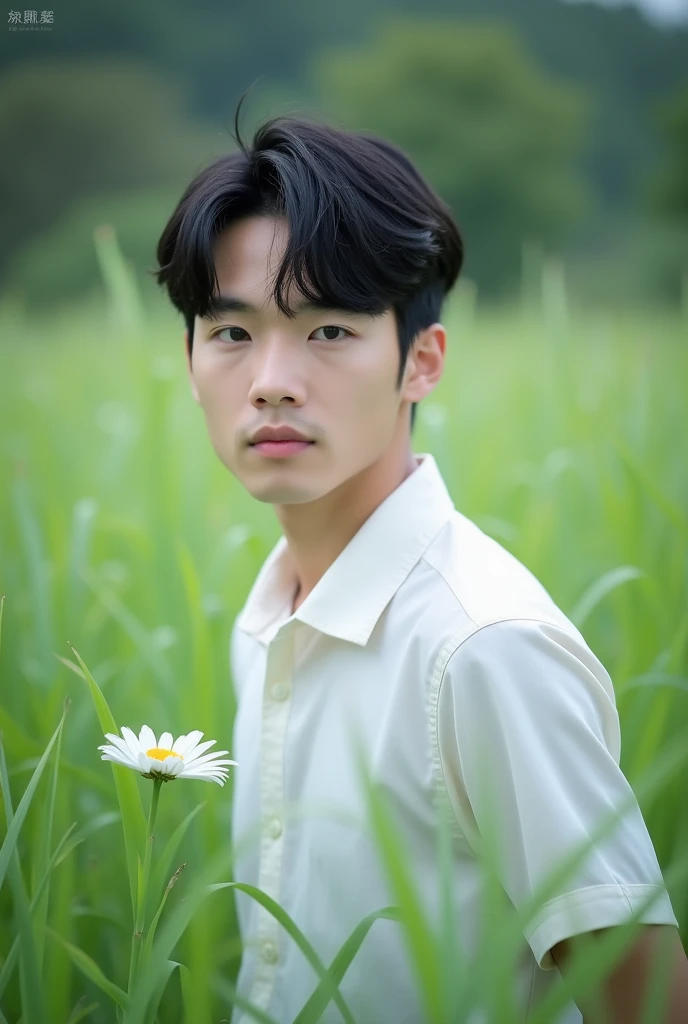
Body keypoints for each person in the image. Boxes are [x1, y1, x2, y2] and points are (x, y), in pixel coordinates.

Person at [153, 93, 687, 1024]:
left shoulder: (481, 648)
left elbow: (647, 1002)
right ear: (192, 357)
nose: (271, 381)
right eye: (232, 332)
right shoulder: (275, 612)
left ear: (421, 361)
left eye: (328, 330)